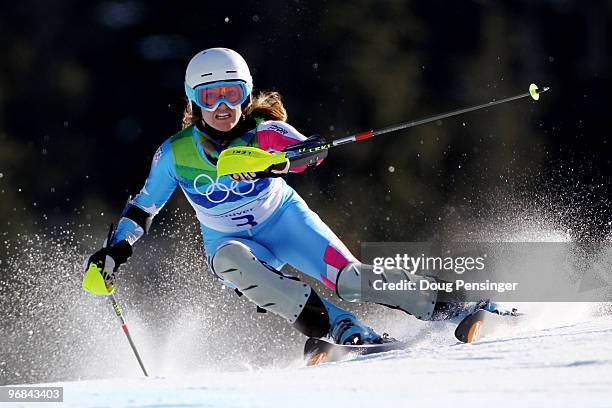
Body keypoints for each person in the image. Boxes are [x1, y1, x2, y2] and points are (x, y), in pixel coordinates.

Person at [83, 47, 476, 346]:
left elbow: (311, 151)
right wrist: (116, 252)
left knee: (352, 280)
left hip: (286, 221)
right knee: (232, 262)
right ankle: (341, 327)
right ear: (193, 101)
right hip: (228, 240)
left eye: (232, 94)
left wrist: (277, 163)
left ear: (246, 94)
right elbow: (143, 207)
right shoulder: (175, 154)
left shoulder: (265, 131)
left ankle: (454, 304)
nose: (223, 107)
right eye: (210, 97)